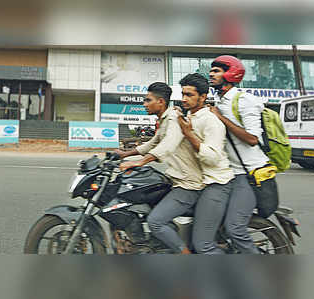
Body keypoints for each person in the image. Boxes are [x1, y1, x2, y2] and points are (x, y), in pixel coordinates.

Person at [116, 82, 204, 254]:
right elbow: (153, 143)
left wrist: (139, 162)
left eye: (148, 100)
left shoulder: (173, 119)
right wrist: (124, 154)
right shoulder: (165, 119)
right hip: (176, 180)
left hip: (188, 184)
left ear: (161, 102)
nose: (144, 104)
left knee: (155, 221)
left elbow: (167, 146)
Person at [208, 55, 270, 254]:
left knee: (235, 228)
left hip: (251, 173)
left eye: (217, 71)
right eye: (211, 70)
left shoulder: (244, 100)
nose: (211, 73)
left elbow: (252, 139)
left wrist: (221, 118)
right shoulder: (219, 101)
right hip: (229, 173)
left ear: (231, 74)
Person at [176, 73, 235, 254]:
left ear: (202, 97)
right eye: (183, 94)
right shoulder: (189, 116)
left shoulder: (211, 121)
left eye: (189, 95)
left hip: (216, 183)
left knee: (202, 245)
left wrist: (189, 135)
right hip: (198, 181)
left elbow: (212, 158)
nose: (184, 99)